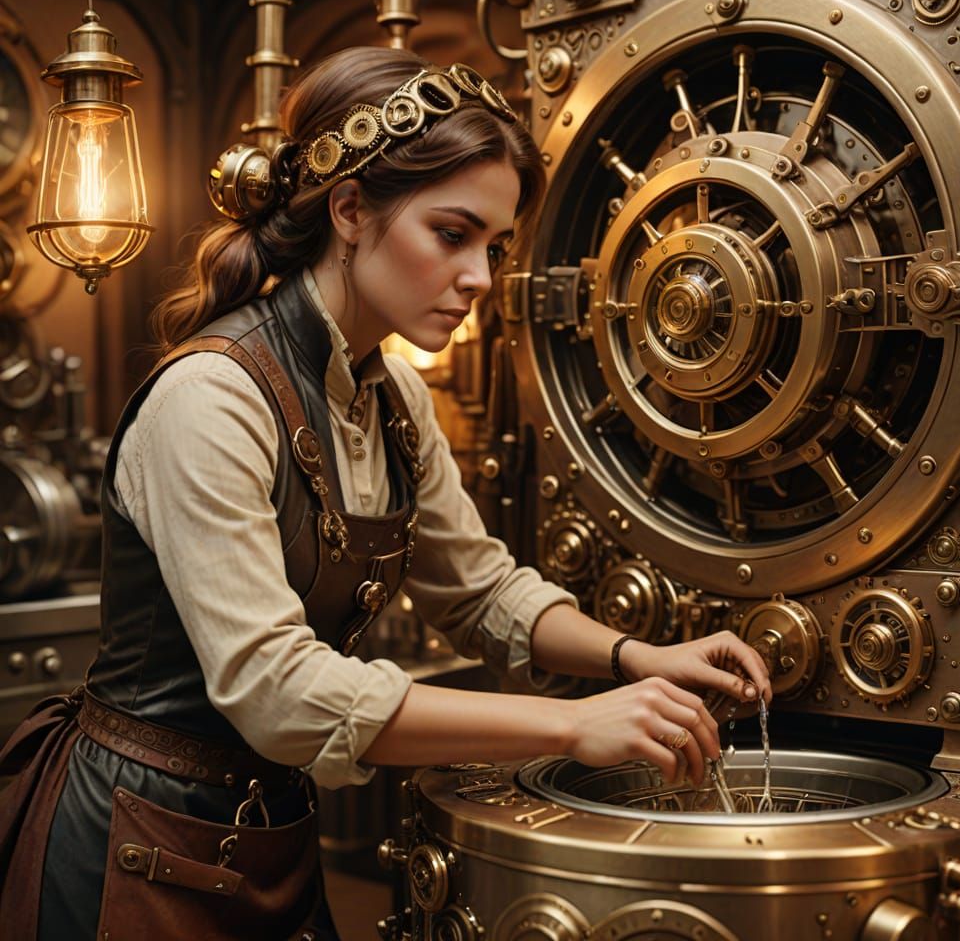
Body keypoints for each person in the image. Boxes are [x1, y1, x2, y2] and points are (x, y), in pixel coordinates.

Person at [0, 46, 771, 940]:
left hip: (267, 839)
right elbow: (279, 692)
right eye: (452, 234)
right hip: (131, 851)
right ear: (352, 210)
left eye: (495, 245)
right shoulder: (208, 399)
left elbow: (481, 589)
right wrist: (570, 729)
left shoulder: (393, 395)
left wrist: (635, 658)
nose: (480, 278)